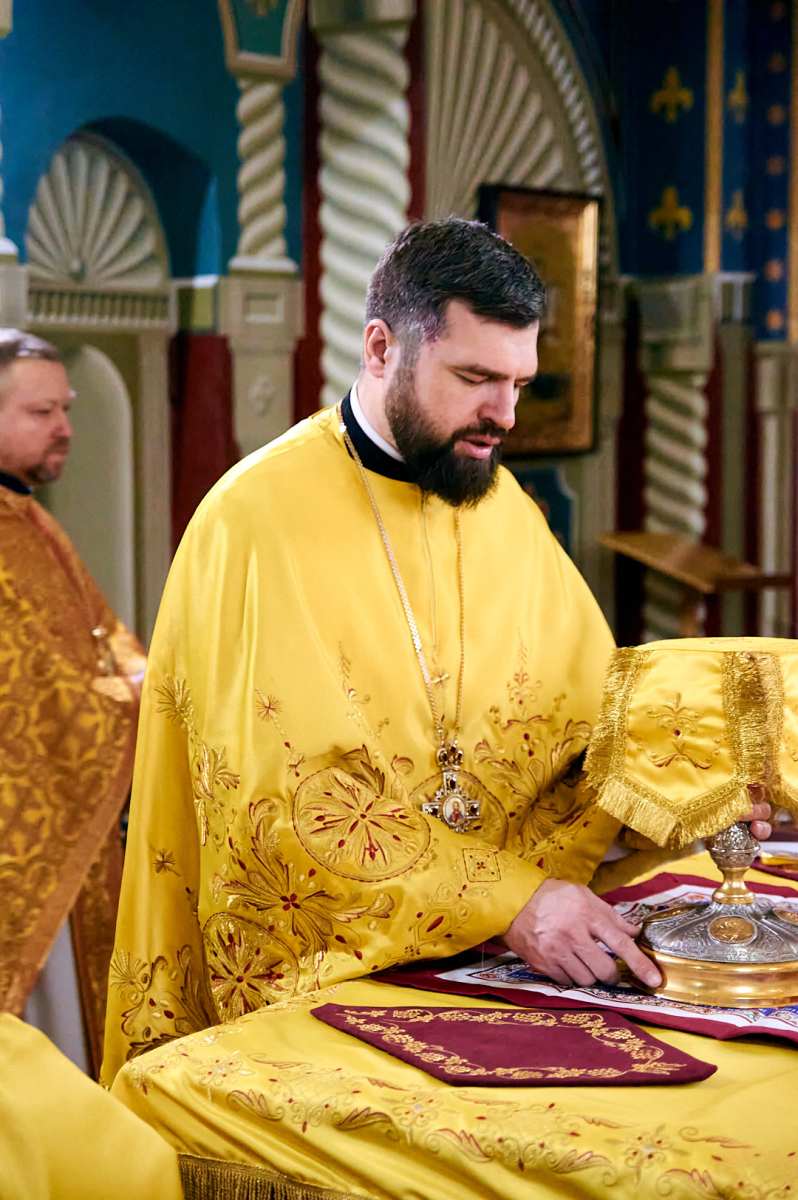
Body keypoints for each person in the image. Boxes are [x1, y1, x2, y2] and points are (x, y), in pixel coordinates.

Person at [103, 222, 777, 1199]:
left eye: (520, 383)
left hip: (494, 981)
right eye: (474, 378)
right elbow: (287, 810)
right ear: (382, 347)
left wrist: (687, 791)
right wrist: (514, 902)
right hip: (333, 987)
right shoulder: (254, 523)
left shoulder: (501, 508)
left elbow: (589, 722)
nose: (504, 414)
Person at [0, 330, 146, 1071]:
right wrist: (133, 703)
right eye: (41, 412)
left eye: (66, 408)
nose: (64, 428)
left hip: (71, 810)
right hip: (26, 825)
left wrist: (151, 682)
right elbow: (29, 690)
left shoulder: (28, 516)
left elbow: (101, 636)